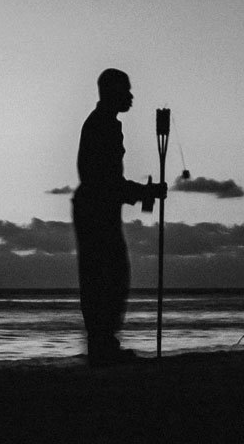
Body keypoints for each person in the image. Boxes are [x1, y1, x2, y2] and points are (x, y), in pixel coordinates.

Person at [72, 68, 164, 365]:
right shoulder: (102, 126)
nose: (131, 96)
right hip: (95, 209)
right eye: (126, 91)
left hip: (97, 207)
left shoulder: (107, 124)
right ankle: (101, 345)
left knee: (108, 276)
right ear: (112, 93)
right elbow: (105, 180)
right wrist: (143, 193)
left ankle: (103, 343)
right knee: (106, 276)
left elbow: (110, 181)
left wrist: (141, 192)